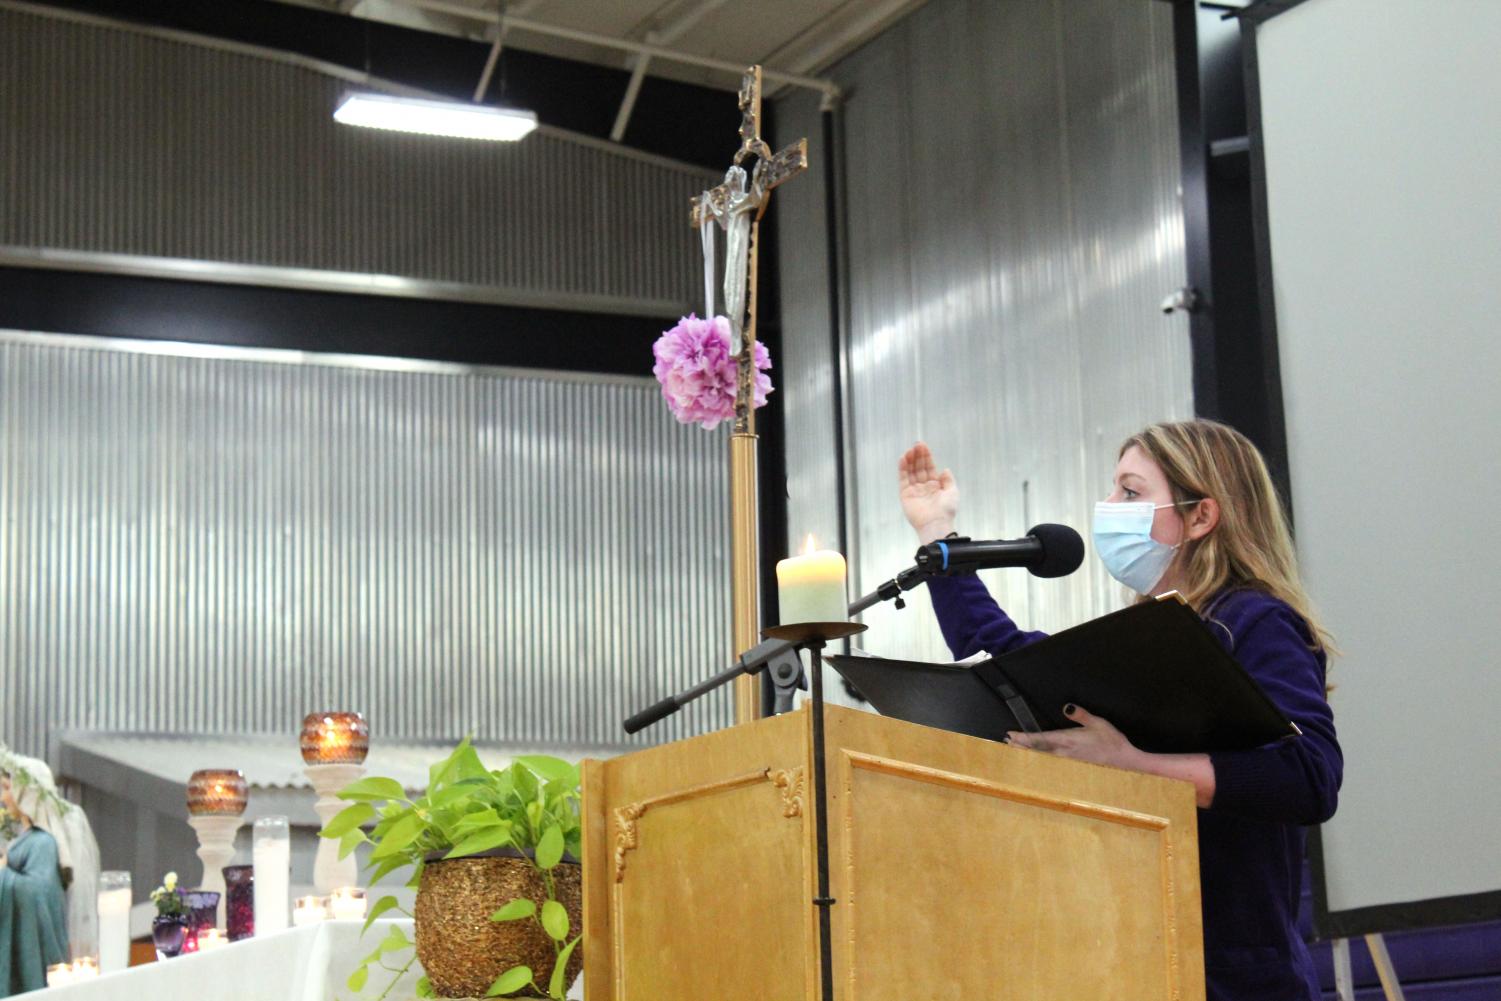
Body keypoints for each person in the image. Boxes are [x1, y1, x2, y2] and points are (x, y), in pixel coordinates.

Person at [897, 419, 1341, 1001]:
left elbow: (1310, 776)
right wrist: (937, 532)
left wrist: (1133, 765)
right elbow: (1005, 656)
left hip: (1235, 975)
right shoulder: (1145, 638)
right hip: (1131, 963)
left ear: (1201, 517)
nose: (1107, 507)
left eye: (1130, 492)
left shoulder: (1255, 620)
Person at [0, 749, 100, 997]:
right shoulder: (26, 840)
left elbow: (39, 894)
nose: (3, 798)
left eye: (6, 788)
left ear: (26, 793)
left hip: (36, 959)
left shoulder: (43, 843)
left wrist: (3, 874)